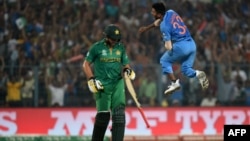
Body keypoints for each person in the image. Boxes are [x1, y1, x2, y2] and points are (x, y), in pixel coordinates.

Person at [138, 2, 209, 94]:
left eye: (153, 12)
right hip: (191, 44)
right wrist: (147, 28)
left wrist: (170, 51)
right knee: (186, 70)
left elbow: (168, 46)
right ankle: (199, 74)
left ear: (159, 14)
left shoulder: (164, 26)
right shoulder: (171, 12)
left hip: (182, 46)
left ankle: (174, 82)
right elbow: (159, 21)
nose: (152, 13)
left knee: (164, 60)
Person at [82, 24, 135, 141]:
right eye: (112, 38)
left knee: (119, 115)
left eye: (117, 39)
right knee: (103, 116)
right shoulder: (96, 48)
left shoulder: (120, 48)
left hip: (117, 83)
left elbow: (126, 64)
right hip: (102, 85)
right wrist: (91, 79)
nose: (115, 41)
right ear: (106, 37)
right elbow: (85, 64)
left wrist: (128, 70)